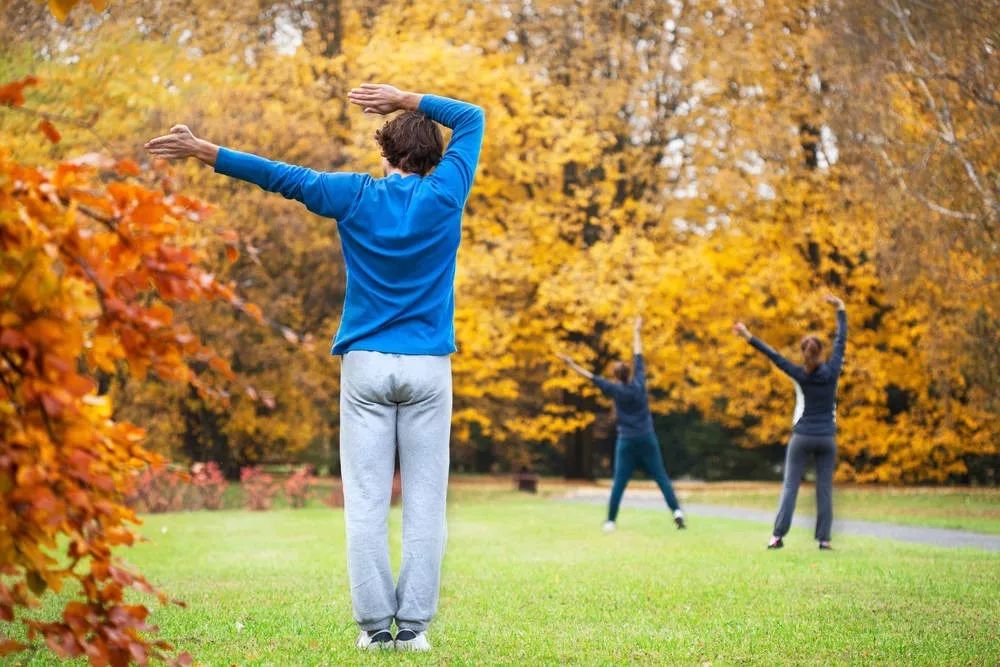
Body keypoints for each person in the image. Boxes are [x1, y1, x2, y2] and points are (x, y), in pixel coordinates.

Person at [145, 83, 485, 651]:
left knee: (368, 502)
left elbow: (282, 176)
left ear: (385, 155)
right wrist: (406, 98)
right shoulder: (448, 191)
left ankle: (377, 631)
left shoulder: (354, 195)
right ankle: (415, 633)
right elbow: (470, 115)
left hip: (366, 366)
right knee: (426, 504)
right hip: (428, 367)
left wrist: (208, 151)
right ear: (434, 157)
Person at [733, 294, 847, 550]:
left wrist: (748, 336)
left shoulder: (799, 374)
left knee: (790, 487)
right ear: (821, 353)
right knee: (824, 490)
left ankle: (777, 536)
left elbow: (774, 356)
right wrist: (840, 310)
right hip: (827, 438)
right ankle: (824, 540)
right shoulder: (833, 371)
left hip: (802, 437)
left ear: (804, 355)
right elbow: (841, 341)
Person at [557, 316, 686, 532]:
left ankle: (610, 521)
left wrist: (571, 364)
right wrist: (636, 330)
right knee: (661, 477)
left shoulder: (615, 390)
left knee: (619, 482)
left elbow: (591, 377)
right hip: (647, 436)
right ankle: (677, 511)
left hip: (627, 439)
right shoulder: (639, 384)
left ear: (616, 378)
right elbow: (638, 355)